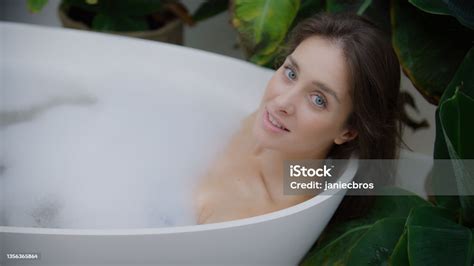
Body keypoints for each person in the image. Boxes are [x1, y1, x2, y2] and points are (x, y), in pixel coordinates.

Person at [193, 12, 403, 224]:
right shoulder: (259, 122)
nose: (282, 102)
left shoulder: (267, 218)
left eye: (318, 100)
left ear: (347, 132)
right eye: (291, 73)